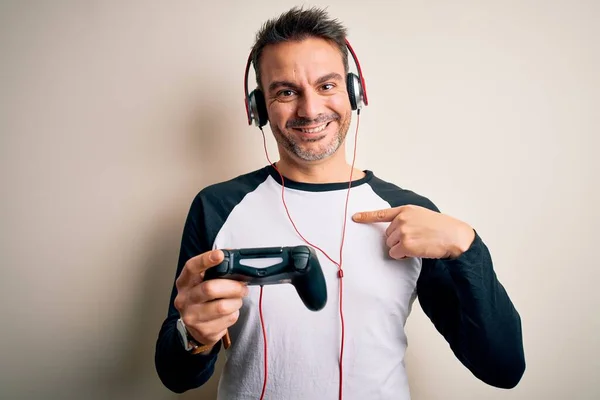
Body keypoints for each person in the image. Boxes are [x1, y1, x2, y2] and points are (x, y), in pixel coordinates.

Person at [154, 6, 525, 400]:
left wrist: (469, 247)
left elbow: (501, 368)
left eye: (327, 86)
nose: (310, 110)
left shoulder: (411, 215)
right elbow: (176, 376)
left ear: (354, 91)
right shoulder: (217, 206)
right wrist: (193, 335)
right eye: (285, 91)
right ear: (258, 108)